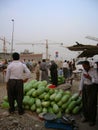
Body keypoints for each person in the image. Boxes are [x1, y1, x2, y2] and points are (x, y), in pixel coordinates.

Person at [79, 61, 98, 126]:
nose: (84, 68)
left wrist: (89, 77)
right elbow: (82, 80)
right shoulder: (83, 71)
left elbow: (97, 81)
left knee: (91, 104)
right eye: (83, 67)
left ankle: (92, 120)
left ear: (88, 65)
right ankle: (86, 117)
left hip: (92, 88)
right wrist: (80, 89)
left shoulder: (94, 70)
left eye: (85, 66)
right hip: (85, 87)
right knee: (84, 103)